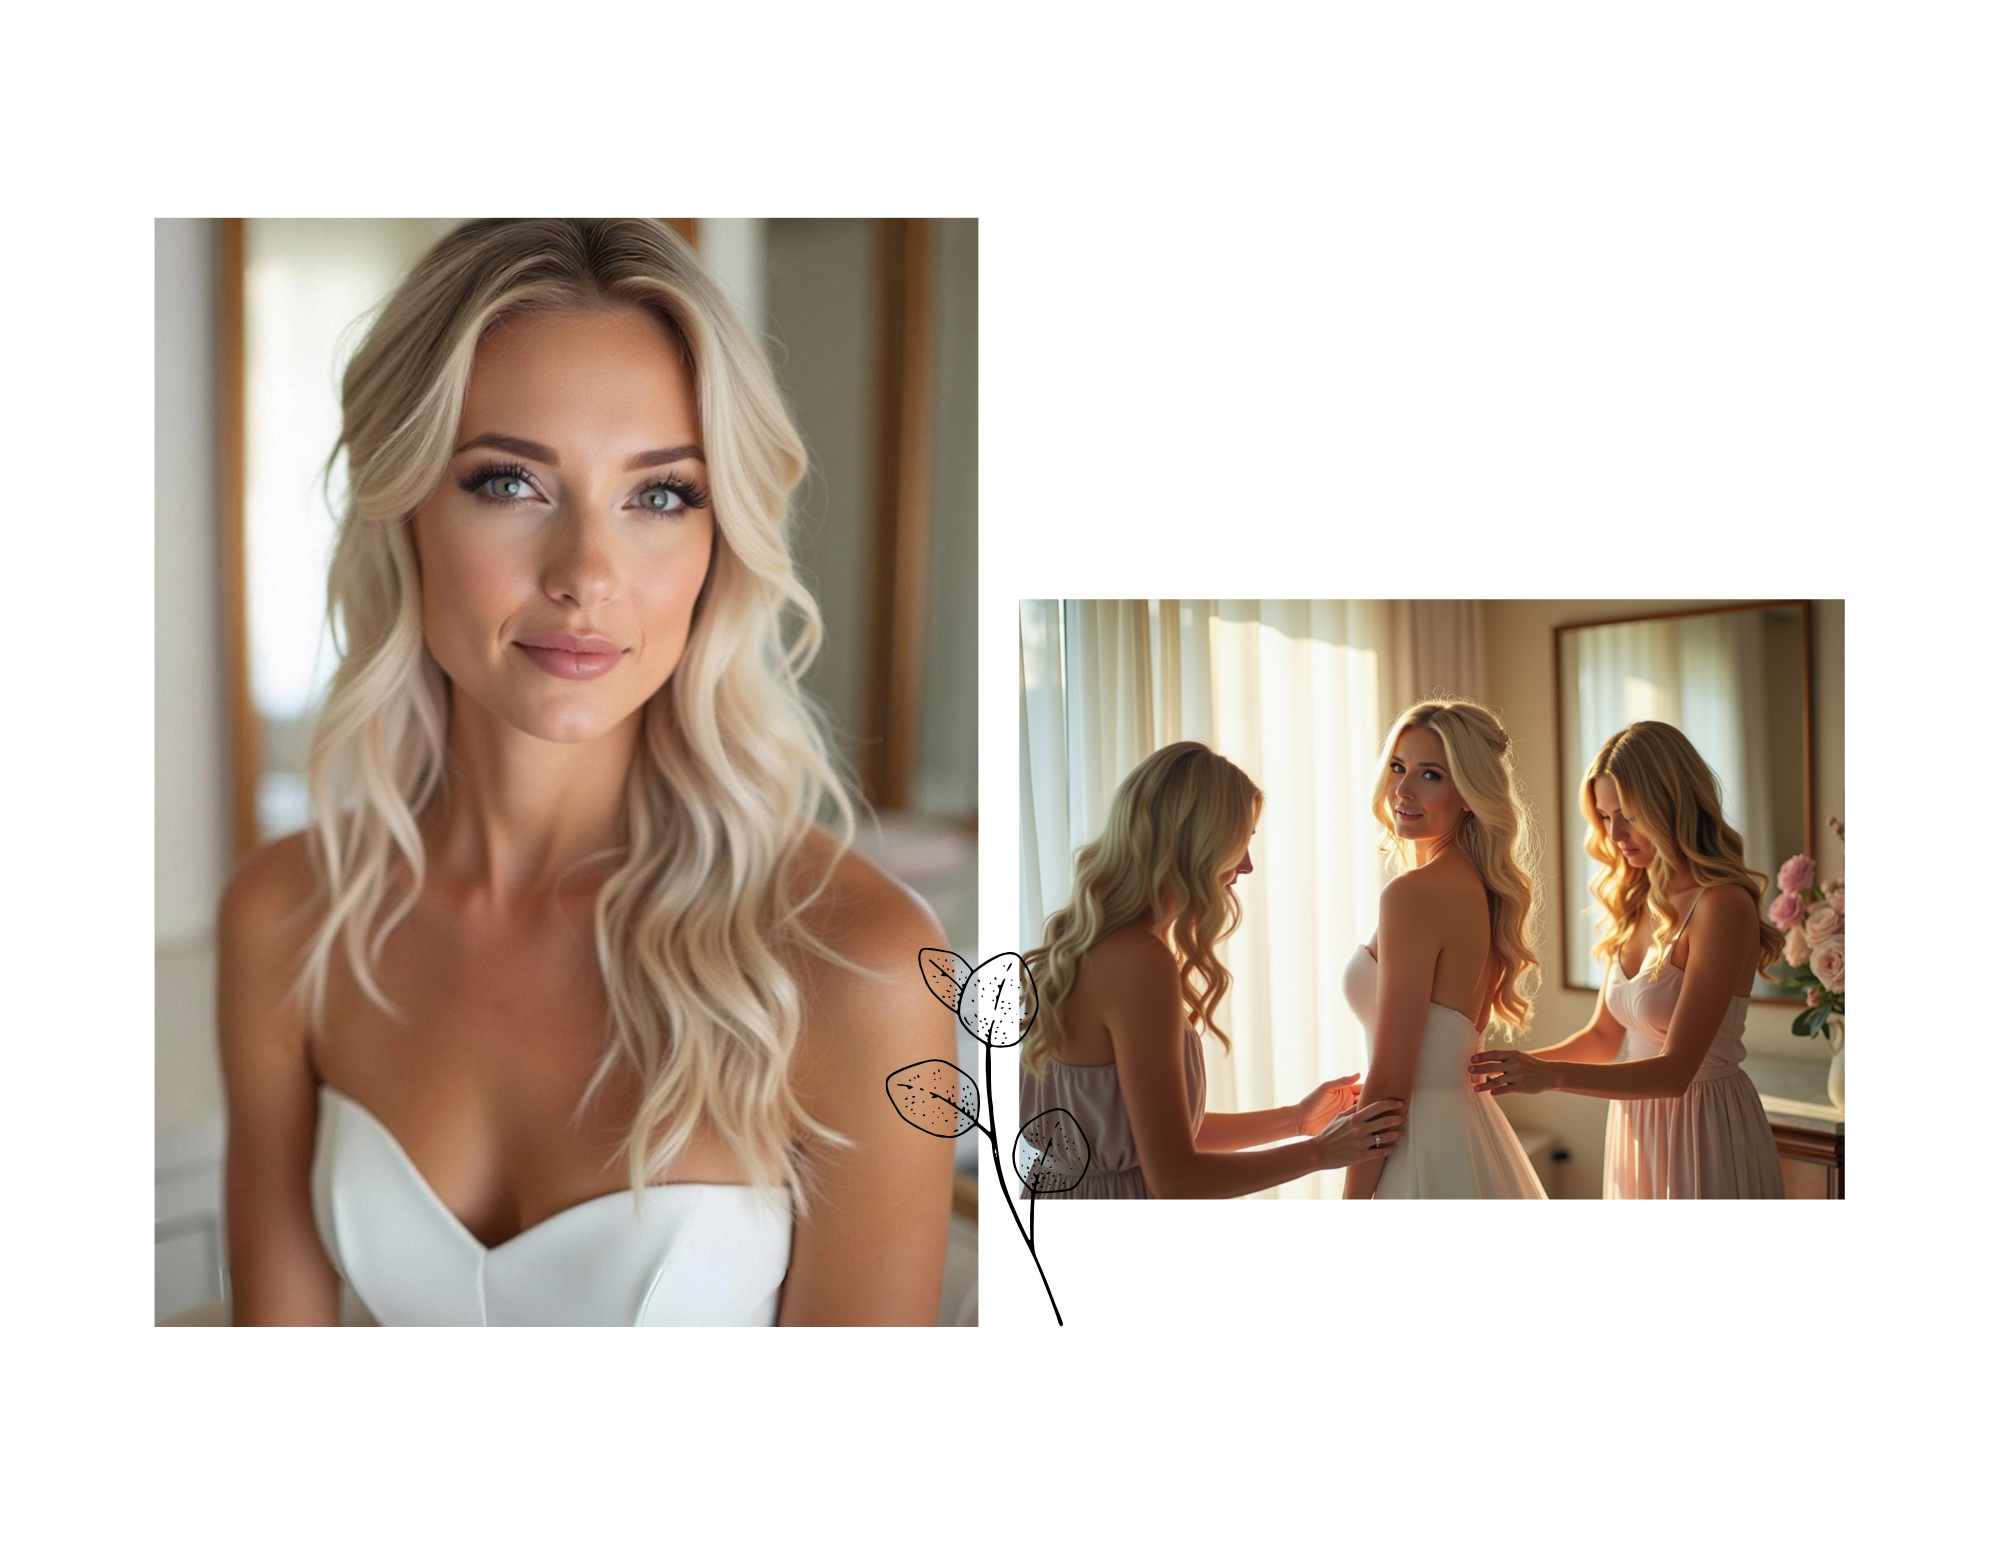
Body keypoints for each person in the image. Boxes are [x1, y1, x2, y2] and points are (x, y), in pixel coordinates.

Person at [217, 219, 953, 1325]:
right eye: (508, 482)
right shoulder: (287, 919)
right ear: (402, 503)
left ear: (721, 540)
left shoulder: (856, 969)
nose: (586, 576)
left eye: (660, 495)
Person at [1018, 741, 1404, 1199]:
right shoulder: (1140, 963)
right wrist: (1320, 1153)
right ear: (1195, 844)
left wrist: (1298, 1120)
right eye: (1239, 842)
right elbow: (1177, 1178)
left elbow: (1159, 1137)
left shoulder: (1091, 945)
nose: (1247, 865)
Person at [1470, 720, 1785, 1198]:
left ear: (1673, 804)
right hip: (1636, 1125)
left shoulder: (1722, 905)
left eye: (1630, 814)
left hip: (1703, 1128)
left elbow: (1675, 1072)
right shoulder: (1637, 899)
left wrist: (1547, 1077)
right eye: (1605, 815)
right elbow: (1602, 1037)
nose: (1614, 832)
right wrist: (1516, 1067)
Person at [1342, 699, 1547, 1200]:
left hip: (1416, 1142)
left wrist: (1349, 1205)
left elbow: (1392, 1080)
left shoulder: (1414, 895)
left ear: (1470, 794)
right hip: (1466, 1133)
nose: (1402, 790)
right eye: (1397, 767)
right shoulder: (1478, 886)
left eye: (1430, 774)